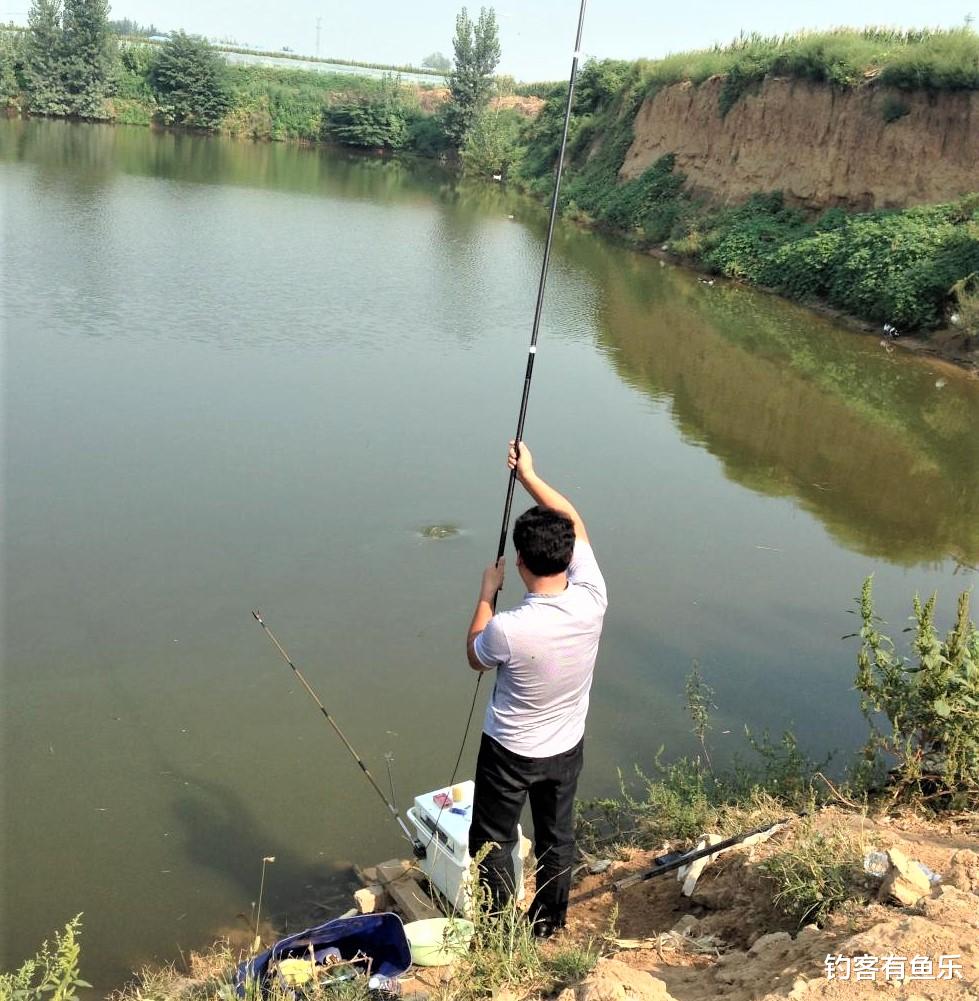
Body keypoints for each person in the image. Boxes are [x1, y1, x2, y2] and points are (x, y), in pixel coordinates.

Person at [465, 440, 608, 938]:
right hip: (567, 749)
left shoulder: (508, 628)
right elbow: (575, 521)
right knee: (556, 836)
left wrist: (485, 594)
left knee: (492, 838)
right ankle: (547, 924)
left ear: (520, 561)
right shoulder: (593, 597)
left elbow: (475, 655)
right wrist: (529, 475)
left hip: (509, 752)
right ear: (568, 558)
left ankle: (499, 931)